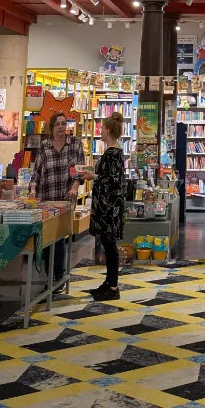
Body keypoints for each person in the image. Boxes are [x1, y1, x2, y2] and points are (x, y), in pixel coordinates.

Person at [28, 112, 83, 291]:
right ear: (51, 127)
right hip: (46, 197)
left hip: (65, 199)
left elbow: (80, 171)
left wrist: (74, 187)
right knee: (46, 237)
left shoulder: (75, 144)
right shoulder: (44, 146)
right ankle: (51, 276)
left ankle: (57, 277)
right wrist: (32, 189)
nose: (61, 127)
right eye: (57, 124)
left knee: (59, 237)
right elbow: (37, 171)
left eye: (63, 123)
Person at [79, 110, 126, 301]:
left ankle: (113, 287)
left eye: (102, 128)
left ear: (107, 130)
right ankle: (108, 282)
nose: (100, 130)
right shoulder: (113, 152)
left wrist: (94, 176)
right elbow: (110, 177)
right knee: (108, 244)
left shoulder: (112, 153)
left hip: (109, 208)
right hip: (109, 206)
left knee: (109, 244)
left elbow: (111, 180)